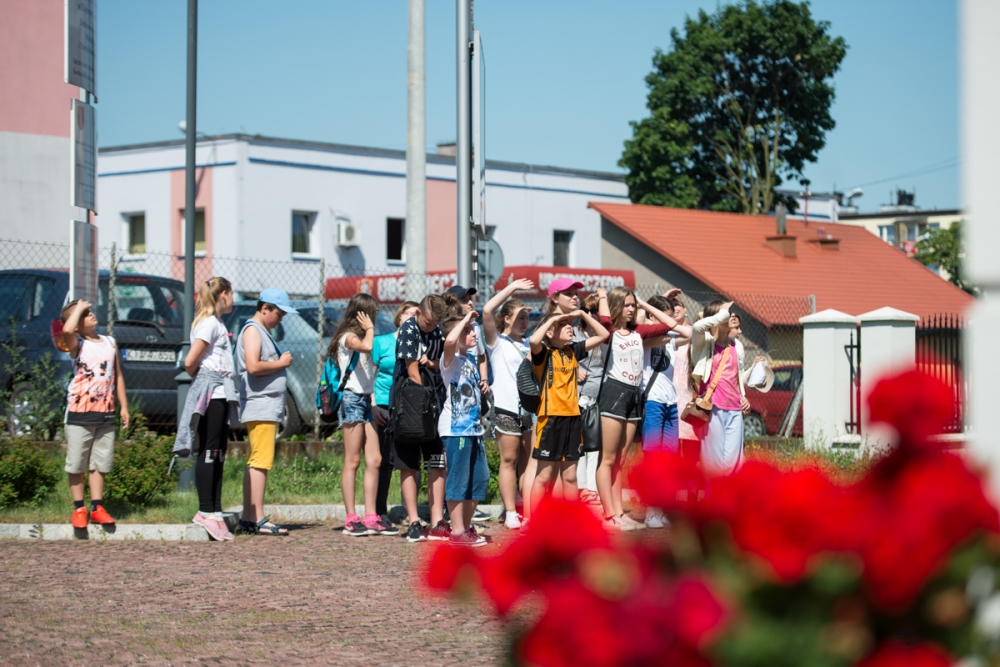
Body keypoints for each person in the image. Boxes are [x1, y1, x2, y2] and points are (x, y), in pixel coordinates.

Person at [597, 287, 678, 530]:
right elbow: (604, 320)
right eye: (627, 305)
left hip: (634, 395)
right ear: (616, 306)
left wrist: (645, 304)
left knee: (621, 459)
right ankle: (609, 515)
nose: (631, 309)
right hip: (614, 393)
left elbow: (670, 324)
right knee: (608, 458)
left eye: (633, 305)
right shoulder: (609, 332)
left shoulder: (638, 332)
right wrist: (603, 297)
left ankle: (619, 513)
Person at [528, 309, 609, 512]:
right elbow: (534, 340)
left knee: (571, 477)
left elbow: (603, 335)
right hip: (551, 419)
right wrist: (555, 318)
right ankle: (533, 522)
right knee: (544, 476)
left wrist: (582, 313)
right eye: (562, 325)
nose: (569, 327)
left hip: (573, 418)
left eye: (569, 324)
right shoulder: (543, 353)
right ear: (549, 332)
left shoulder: (572, 350)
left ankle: (571, 523)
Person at [178, 277, 238, 541]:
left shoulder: (218, 323)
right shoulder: (209, 324)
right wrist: (205, 380)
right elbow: (190, 362)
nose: (233, 298)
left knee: (219, 452)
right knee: (210, 450)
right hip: (212, 394)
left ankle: (215, 510)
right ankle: (204, 510)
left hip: (223, 393)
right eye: (232, 293)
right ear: (223, 294)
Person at [60, 299, 129, 529]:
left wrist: (124, 406)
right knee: (77, 463)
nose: (89, 314)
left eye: (89, 311)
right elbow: (67, 330)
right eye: (84, 314)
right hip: (79, 414)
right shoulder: (77, 344)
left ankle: (97, 507)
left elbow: (118, 375)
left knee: (100, 463)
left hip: (105, 414)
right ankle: (79, 508)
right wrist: (78, 308)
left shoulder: (110, 342)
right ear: (76, 324)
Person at [328, 293, 390, 536]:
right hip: (351, 400)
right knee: (353, 460)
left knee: (375, 459)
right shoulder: (348, 337)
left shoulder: (364, 336)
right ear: (363, 314)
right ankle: (351, 518)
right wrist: (370, 328)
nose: (375, 317)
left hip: (365, 401)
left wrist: (373, 404)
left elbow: (368, 375)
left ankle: (371, 516)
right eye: (373, 313)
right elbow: (367, 346)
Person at [235, 287, 296, 536]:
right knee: (261, 461)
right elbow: (252, 366)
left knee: (256, 461)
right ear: (264, 308)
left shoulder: (259, 330)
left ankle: (249, 517)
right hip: (261, 405)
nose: (280, 319)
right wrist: (280, 363)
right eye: (279, 314)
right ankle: (258, 517)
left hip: (264, 405)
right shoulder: (253, 330)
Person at [392, 293, 450, 543]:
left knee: (437, 461)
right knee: (409, 463)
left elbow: (443, 362)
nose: (430, 327)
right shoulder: (409, 328)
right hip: (411, 401)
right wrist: (424, 398)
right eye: (427, 322)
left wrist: (433, 364)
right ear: (418, 314)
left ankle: (437, 521)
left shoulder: (437, 331)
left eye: (434, 323)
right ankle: (414, 521)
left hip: (434, 401)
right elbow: (412, 368)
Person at [481, 278, 535, 529]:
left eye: (527, 318)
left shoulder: (529, 343)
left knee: (529, 462)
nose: (525, 323)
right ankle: (511, 511)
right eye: (520, 317)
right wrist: (512, 288)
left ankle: (527, 508)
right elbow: (487, 310)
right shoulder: (498, 342)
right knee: (509, 460)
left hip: (529, 410)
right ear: (506, 319)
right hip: (506, 409)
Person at [638, 294, 692, 529]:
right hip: (653, 402)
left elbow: (690, 333)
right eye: (666, 316)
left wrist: (663, 313)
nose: (671, 321)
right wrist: (646, 307)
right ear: (652, 316)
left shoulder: (670, 337)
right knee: (653, 459)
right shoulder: (646, 335)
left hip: (671, 403)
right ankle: (651, 511)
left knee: (668, 460)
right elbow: (642, 320)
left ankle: (662, 509)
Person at [438, 311, 490, 547]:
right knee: (458, 479)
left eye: (473, 330)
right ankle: (457, 532)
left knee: (480, 478)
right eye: (468, 331)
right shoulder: (449, 360)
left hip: (474, 430)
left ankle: (466, 528)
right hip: (455, 430)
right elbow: (449, 340)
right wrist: (466, 318)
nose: (473, 335)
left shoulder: (470, 361)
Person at [371, 301, 419, 532]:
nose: (413, 319)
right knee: (385, 459)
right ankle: (379, 511)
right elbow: (368, 374)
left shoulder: (419, 344)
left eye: (417, 315)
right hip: (383, 404)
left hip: (407, 406)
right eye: (409, 314)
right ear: (399, 317)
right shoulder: (381, 342)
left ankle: (412, 513)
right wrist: (373, 405)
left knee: (410, 460)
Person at [689, 301, 749, 476]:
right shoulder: (704, 342)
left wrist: (744, 396)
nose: (731, 315)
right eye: (727, 313)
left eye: (730, 312)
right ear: (715, 318)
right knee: (713, 462)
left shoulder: (737, 346)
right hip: (712, 408)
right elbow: (697, 327)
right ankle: (713, 493)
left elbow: (738, 377)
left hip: (735, 409)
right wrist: (721, 315)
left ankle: (728, 492)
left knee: (733, 462)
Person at [575, 293, 606, 507]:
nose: (593, 315)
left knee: (595, 443)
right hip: (578, 395)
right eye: (589, 311)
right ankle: (581, 486)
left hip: (598, 396)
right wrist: (575, 369)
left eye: (596, 311)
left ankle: (593, 487)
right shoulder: (575, 334)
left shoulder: (605, 335)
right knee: (579, 444)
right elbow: (562, 354)